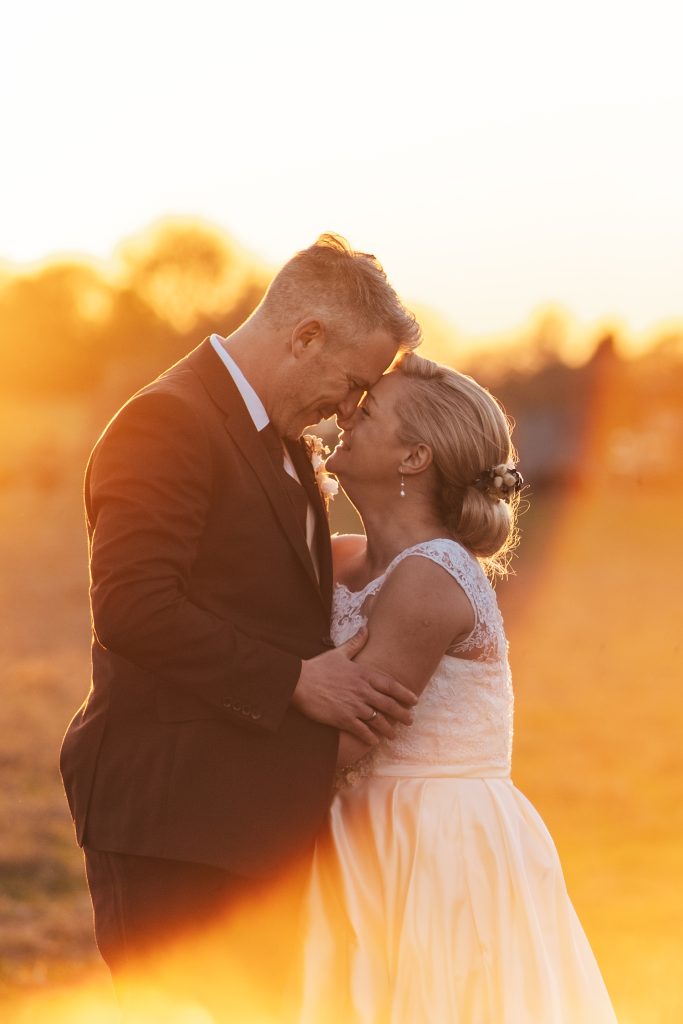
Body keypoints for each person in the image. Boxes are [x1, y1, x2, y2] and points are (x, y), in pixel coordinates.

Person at [59, 233, 422, 1019]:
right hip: (172, 818)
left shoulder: (285, 443)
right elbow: (132, 606)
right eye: (352, 382)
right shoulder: (167, 421)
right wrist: (294, 679)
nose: (349, 408)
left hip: (250, 821)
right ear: (304, 337)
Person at [300, 353, 617, 1023]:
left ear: (413, 457)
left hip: (428, 843)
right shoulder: (340, 555)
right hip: (353, 826)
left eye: (369, 408)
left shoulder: (432, 575)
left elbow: (345, 738)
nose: (345, 412)